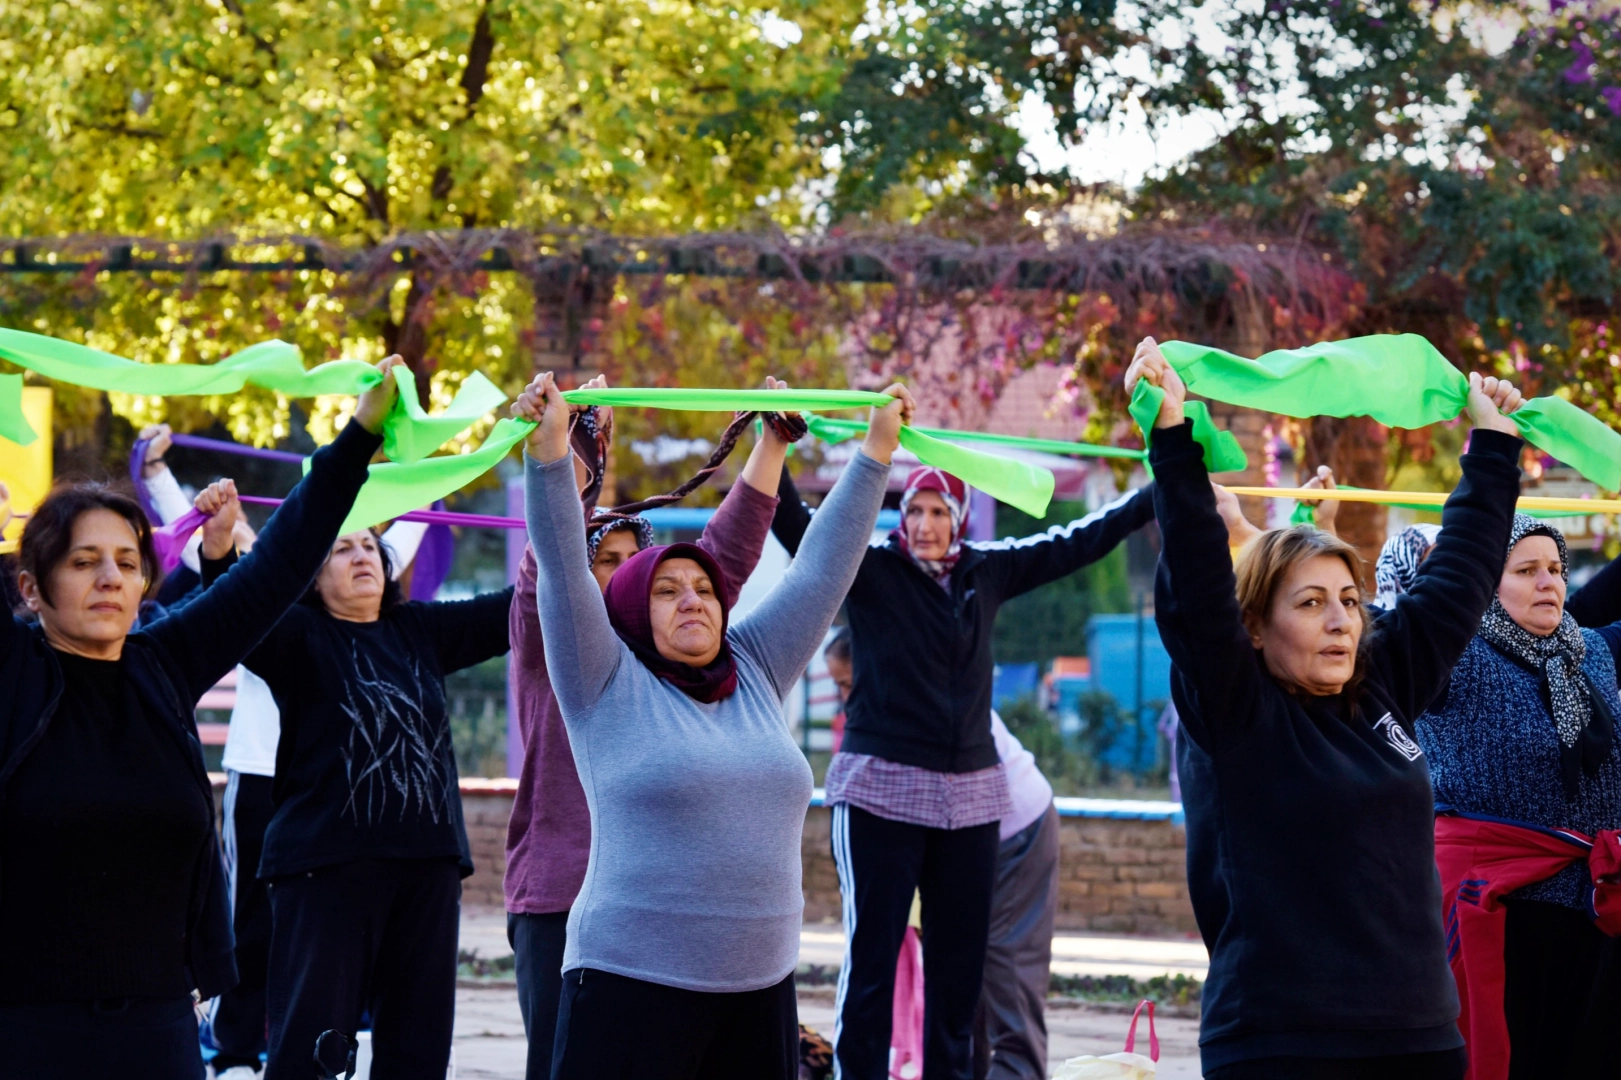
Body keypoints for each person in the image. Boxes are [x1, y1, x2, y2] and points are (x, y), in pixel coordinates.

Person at [1128, 334, 1527, 1079]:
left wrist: (1493, 450)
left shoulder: (1379, 685)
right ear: (1255, 626)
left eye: (1348, 599)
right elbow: (1196, 596)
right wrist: (1174, 444)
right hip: (1282, 1044)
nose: (1342, 619)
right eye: (1311, 603)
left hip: (1419, 1038)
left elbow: (1458, 583)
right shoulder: (1235, 712)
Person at [0, 358, 400, 1078]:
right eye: (84, 561)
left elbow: (279, 563)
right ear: (32, 587)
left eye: (127, 561)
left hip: (159, 1030)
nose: (110, 578)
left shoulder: (163, 662)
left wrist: (361, 432)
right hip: (25, 1029)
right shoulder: (13, 674)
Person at [519, 370, 912, 1079]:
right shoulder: (601, 677)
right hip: (627, 986)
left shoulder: (755, 665)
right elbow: (560, 569)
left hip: (759, 995)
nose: (692, 600)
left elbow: (822, 570)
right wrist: (551, 458)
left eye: (703, 588)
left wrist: (875, 452)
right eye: (666, 591)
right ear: (633, 609)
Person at [772, 458, 1155, 1080]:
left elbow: (1075, 543)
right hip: (880, 795)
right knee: (872, 972)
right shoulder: (869, 568)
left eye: (938, 513)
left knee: (958, 984)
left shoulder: (987, 570)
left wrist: (1151, 495)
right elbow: (796, 525)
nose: (924, 525)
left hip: (971, 803)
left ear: (959, 520)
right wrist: (774, 440)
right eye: (915, 510)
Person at [504, 377, 793, 1080]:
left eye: (637, 566)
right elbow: (554, 561)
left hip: (691, 936)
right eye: (605, 561)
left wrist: (771, 442)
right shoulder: (562, 641)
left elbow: (725, 554)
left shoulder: (683, 648)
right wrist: (570, 442)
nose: (623, 576)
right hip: (566, 898)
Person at [135, 424, 431, 1080]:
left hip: (329, 787)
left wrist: (426, 469)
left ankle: (311, 1039)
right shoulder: (268, 565)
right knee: (251, 919)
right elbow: (205, 544)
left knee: (318, 932)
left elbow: (409, 527)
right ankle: (237, 1048)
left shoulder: (354, 570)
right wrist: (156, 472)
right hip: (259, 770)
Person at [1415, 516, 1621, 1079]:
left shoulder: (1592, 653)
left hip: (1595, 910)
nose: (1548, 582)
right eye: (1526, 570)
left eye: (1555, 569)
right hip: (1503, 913)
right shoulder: (1449, 654)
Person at [971, 710, 1059, 1080]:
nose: (846, 697)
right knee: (960, 985)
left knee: (1008, 971)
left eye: (848, 683)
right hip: (965, 840)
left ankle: (1018, 1070)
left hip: (1015, 829)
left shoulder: (932, 670)